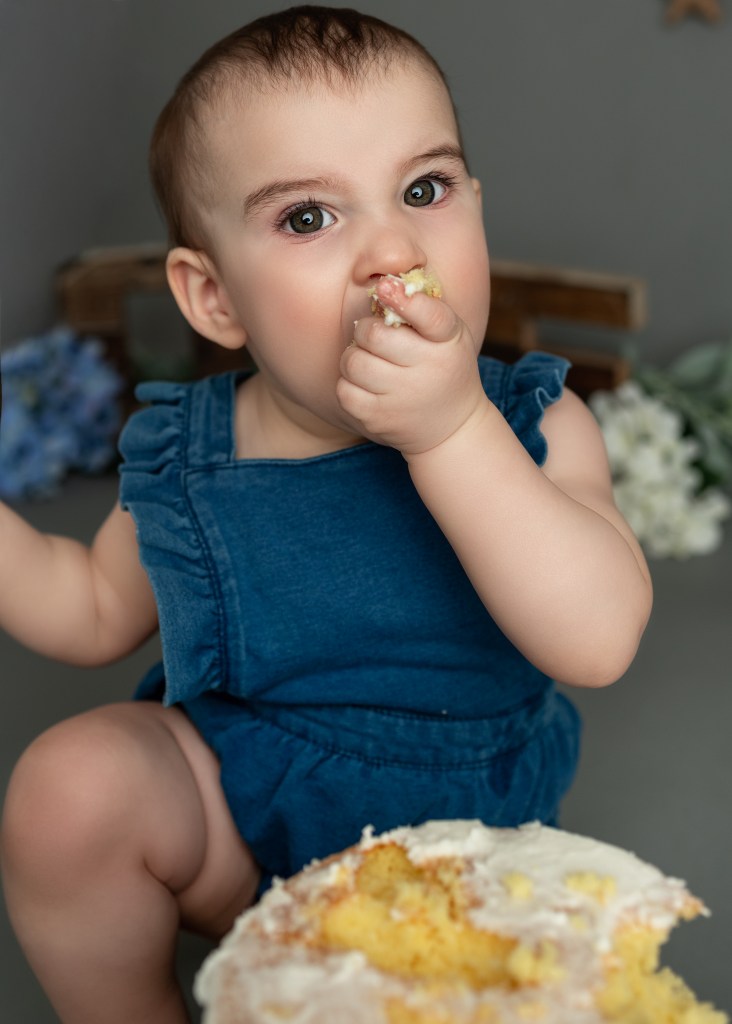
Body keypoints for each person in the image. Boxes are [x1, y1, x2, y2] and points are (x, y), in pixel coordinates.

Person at [0, 7, 653, 1023]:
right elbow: (85, 608)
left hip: (466, 866)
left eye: (424, 190)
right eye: (309, 217)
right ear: (214, 297)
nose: (392, 250)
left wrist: (450, 433)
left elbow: (599, 636)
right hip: (247, 831)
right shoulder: (196, 456)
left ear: (476, 210)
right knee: (68, 786)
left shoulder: (530, 421)